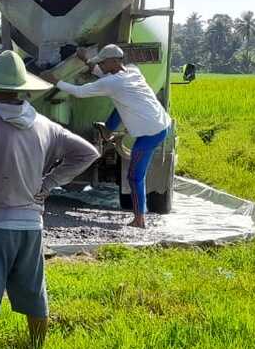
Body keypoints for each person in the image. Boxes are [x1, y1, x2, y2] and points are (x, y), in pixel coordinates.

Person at [0, 51, 98, 349]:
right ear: (25, 90)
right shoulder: (44, 125)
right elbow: (87, 153)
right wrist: (47, 184)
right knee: (34, 292)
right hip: (32, 225)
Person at [56, 44, 171, 228]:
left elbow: (80, 92)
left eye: (103, 62)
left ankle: (139, 219)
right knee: (120, 101)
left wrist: (55, 81)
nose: (100, 65)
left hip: (151, 133)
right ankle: (108, 129)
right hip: (161, 122)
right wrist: (87, 60)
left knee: (134, 177)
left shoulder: (114, 83)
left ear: (114, 61)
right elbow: (106, 78)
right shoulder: (133, 71)